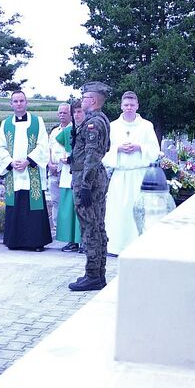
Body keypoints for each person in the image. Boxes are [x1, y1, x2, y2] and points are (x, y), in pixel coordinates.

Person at [103, 91, 160, 255]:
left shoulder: (146, 125)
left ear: (137, 106)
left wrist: (139, 147)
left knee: (139, 211)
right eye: (126, 105)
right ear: (121, 106)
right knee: (118, 212)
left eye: (132, 105)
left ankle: (139, 245)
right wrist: (118, 149)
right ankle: (115, 246)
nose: (129, 108)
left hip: (139, 175)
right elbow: (104, 151)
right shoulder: (113, 126)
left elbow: (155, 150)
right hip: (120, 175)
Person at [0, 90, 52, 251]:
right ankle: (14, 241)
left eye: (21, 101)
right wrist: (10, 162)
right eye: (15, 101)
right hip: (14, 171)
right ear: (11, 104)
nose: (18, 104)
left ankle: (36, 242)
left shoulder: (37, 121)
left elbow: (42, 145)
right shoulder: (5, 124)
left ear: (26, 103)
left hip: (31, 169)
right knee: (16, 205)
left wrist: (28, 161)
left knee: (34, 206)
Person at [68, 82, 112, 292]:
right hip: (94, 176)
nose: (82, 101)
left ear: (92, 100)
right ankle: (98, 274)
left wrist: (85, 185)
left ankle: (93, 275)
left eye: (84, 98)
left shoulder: (94, 123)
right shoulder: (101, 120)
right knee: (97, 225)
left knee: (90, 227)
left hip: (88, 179)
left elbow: (93, 154)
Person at [54, 100, 85, 252]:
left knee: (84, 209)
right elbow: (56, 149)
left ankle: (84, 241)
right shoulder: (67, 131)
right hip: (68, 174)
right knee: (68, 209)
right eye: (75, 112)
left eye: (80, 111)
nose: (77, 115)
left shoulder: (91, 128)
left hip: (85, 176)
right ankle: (72, 241)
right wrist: (62, 157)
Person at [47, 103, 72, 231]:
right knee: (55, 200)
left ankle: (66, 228)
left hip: (66, 170)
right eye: (60, 113)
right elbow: (50, 149)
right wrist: (50, 164)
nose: (62, 115)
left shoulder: (73, 130)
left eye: (65, 113)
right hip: (53, 169)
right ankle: (57, 227)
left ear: (70, 114)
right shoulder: (54, 132)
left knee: (66, 201)